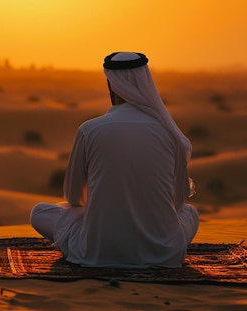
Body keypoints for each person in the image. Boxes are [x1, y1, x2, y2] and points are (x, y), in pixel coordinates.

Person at [30, 52, 199, 268]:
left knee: (40, 212)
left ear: (111, 85)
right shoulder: (170, 134)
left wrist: (104, 205)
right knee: (190, 213)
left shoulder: (89, 130)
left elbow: (73, 197)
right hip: (163, 254)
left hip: (99, 250)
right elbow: (178, 201)